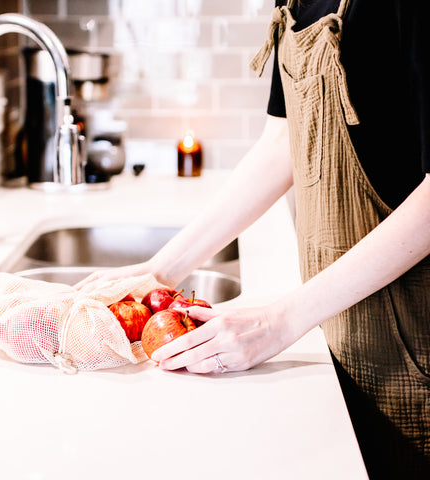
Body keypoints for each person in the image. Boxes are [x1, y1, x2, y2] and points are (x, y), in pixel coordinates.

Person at [76, 0, 429, 477]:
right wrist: (160, 270)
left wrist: (282, 321)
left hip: (414, 344)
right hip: (337, 324)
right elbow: (281, 141)